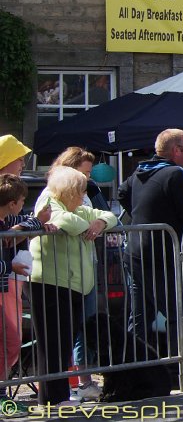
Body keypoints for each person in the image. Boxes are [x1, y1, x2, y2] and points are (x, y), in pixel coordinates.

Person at [118, 129, 183, 388]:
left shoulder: (139, 172)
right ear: (177, 151)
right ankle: (181, 370)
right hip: (165, 253)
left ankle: (134, 372)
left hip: (137, 251)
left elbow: (121, 193)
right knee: (181, 313)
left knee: (140, 316)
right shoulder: (176, 173)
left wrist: (146, 217)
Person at [29, 166, 118, 406]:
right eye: (79, 191)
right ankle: (51, 399)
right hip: (50, 281)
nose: (82, 196)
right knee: (53, 344)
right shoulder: (50, 200)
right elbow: (62, 220)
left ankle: (57, 397)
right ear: (68, 190)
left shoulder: (77, 207)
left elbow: (110, 216)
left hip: (74, 284)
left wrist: (99, 222)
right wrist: (88, 226)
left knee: (64, 341)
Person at [0, 175, 44, 416]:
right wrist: (10, 268)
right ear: (13, 202)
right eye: (23, 200)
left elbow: (33, 221)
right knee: (10, 341)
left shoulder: (7, 219)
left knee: (10, 341)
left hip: (3, 289)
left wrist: (21, 228)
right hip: (3, 286)